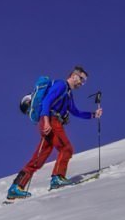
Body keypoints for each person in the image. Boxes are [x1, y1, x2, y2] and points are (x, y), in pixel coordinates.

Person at [7, 65, 103, 199]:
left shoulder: (68, 93)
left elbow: (75, 111)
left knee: (39, 158)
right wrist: (46, 121)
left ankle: (16, 187)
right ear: (74, 76)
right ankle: (58, 178)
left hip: (50, 121)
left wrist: (93, 115)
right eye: (81, 79)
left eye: (84, 81)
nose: (82, 83)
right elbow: (46, 102)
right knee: (66, 148)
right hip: (51, 120)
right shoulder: (61, 85)